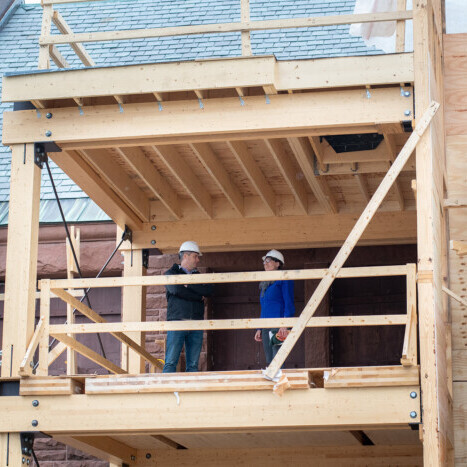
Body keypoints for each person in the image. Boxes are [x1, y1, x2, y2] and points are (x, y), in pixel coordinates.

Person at [163, 241, 213, 373]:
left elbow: (209, 291)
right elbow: (176, 290)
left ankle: (192, 394)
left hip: (196, 323)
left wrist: (187, 285)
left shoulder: (197, 276)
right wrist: (198, 295)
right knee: (170, 362)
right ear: (185, 256)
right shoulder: (170, 273)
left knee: (193, 365)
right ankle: (167, 392)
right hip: (177, 322)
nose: (198, 260)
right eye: (195, 256)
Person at [254, 249, 295, 365]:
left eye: (268, 260)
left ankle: (280, 382)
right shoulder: (264, 284)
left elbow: (289, 302)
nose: (265, 263)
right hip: (266, 325)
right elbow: (264, 307)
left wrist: (285, 324)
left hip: (279, 325)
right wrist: (259, 328)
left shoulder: (284, 279)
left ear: (278, 263)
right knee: (269, 359)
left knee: (277, 358)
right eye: (264, 262)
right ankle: (273, 383)